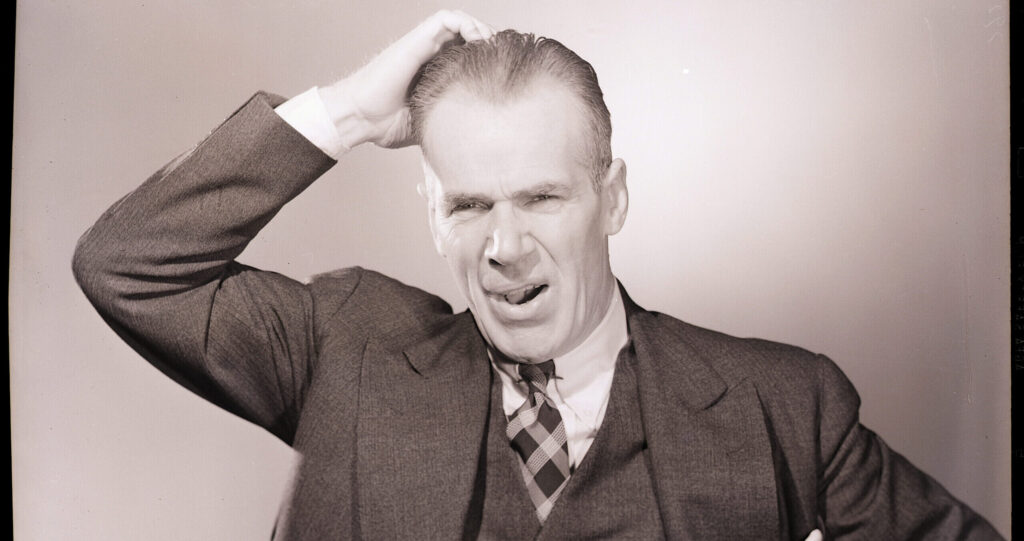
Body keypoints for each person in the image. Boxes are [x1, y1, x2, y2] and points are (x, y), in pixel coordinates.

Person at [72, 10, 1002, 541]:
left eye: (542, 199)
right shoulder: (345, 346)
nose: (505, 246)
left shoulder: (785, 406)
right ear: (433, 214)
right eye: (470, 205)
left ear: (614, 199)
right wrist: (351, 113)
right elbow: (130, 267)